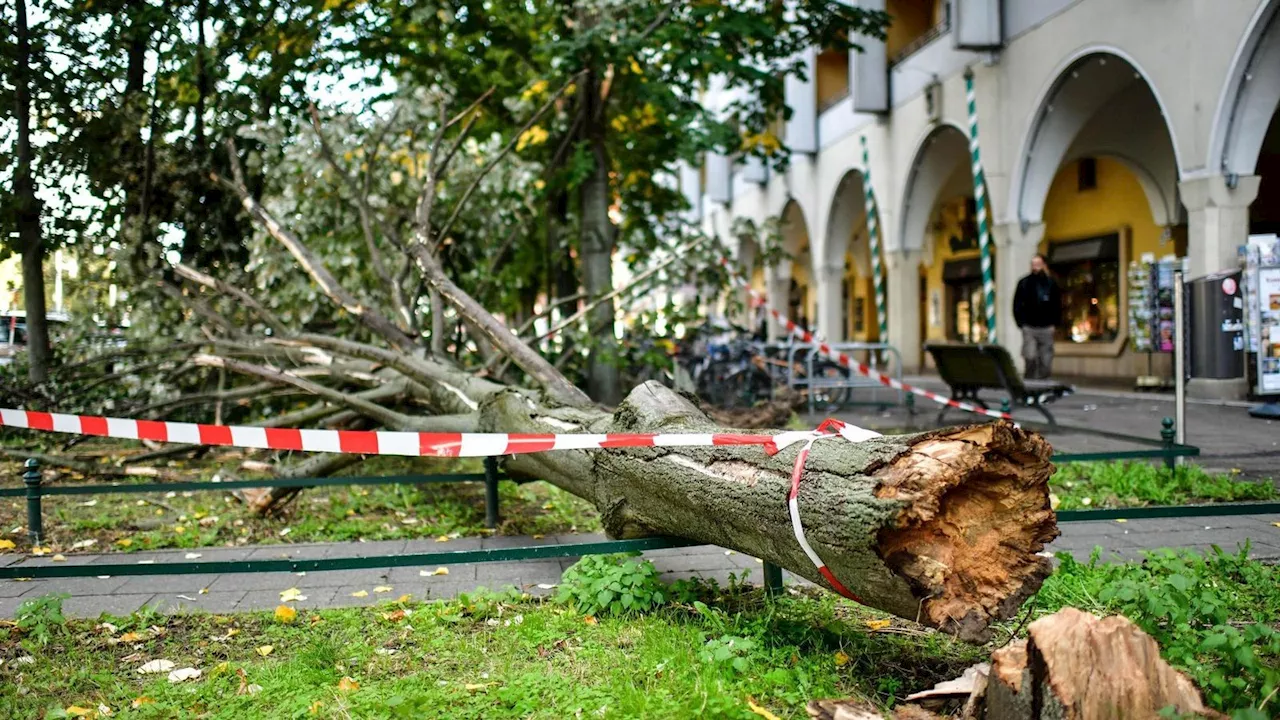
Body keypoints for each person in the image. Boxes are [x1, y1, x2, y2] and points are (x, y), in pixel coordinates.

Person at [1013, 254, 1062, 379]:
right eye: (1033, 263)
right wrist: (1021, 323)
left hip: (1046, 327)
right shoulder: (1024, 283)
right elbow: (1017, 304)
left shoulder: (1051, 283)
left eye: (1038, 263)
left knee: (1046, 360)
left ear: (1043, 265)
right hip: (1029, 326)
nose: (1035, 266)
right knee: (1030, 356)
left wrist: (1054, 324)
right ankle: (1030, 380)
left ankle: (1042, 381)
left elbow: (1057, 304)